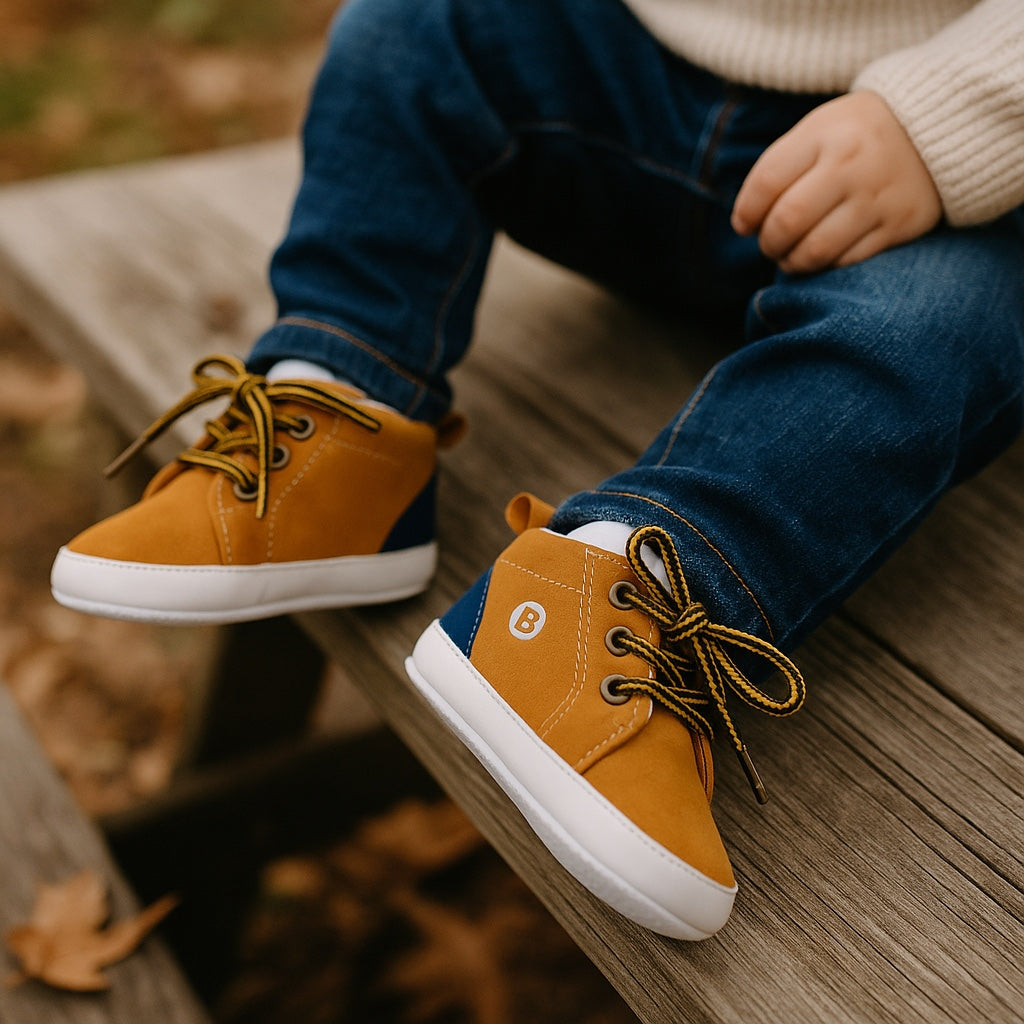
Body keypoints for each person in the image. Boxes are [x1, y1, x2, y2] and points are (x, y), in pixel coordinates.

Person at [50, 0, 1024, 939]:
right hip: (626, 74)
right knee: (412, 26)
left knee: (961, 313)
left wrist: (951, 116)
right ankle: (344, 413)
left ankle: (632, 588)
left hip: (926, 170)